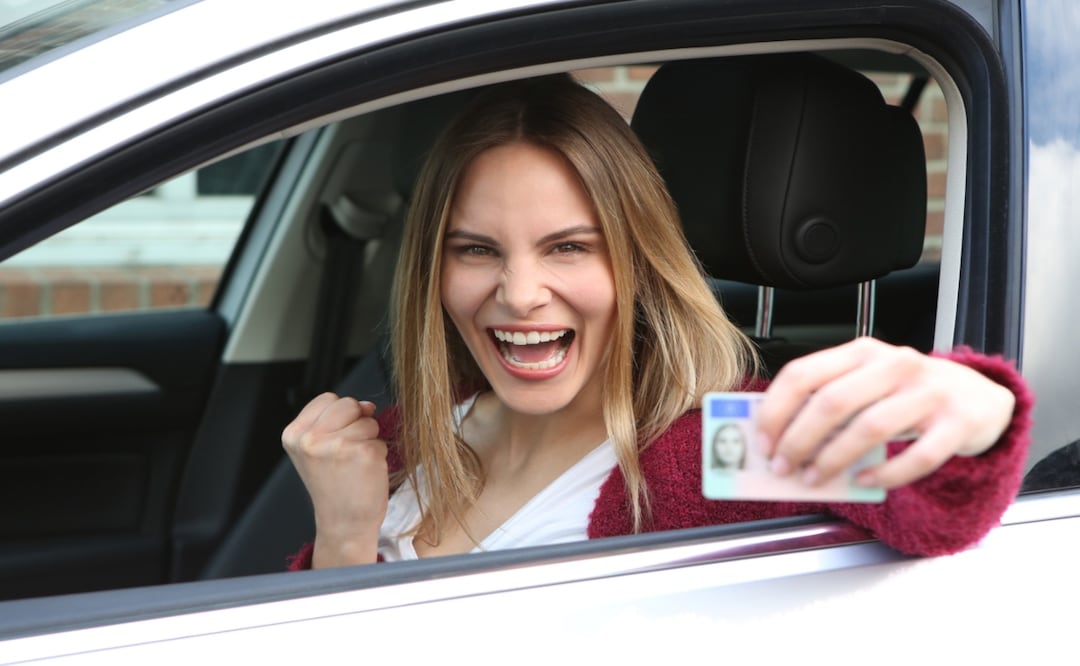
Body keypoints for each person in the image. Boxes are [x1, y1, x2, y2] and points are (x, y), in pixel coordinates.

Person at [283, 75, 1031, 569]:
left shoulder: (703, 449)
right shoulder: (403, 436)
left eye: (568, 248)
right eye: (477, 250)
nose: (519, 294)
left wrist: (975, 406)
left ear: (637, 262)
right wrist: (343, 540)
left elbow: (940, 496)